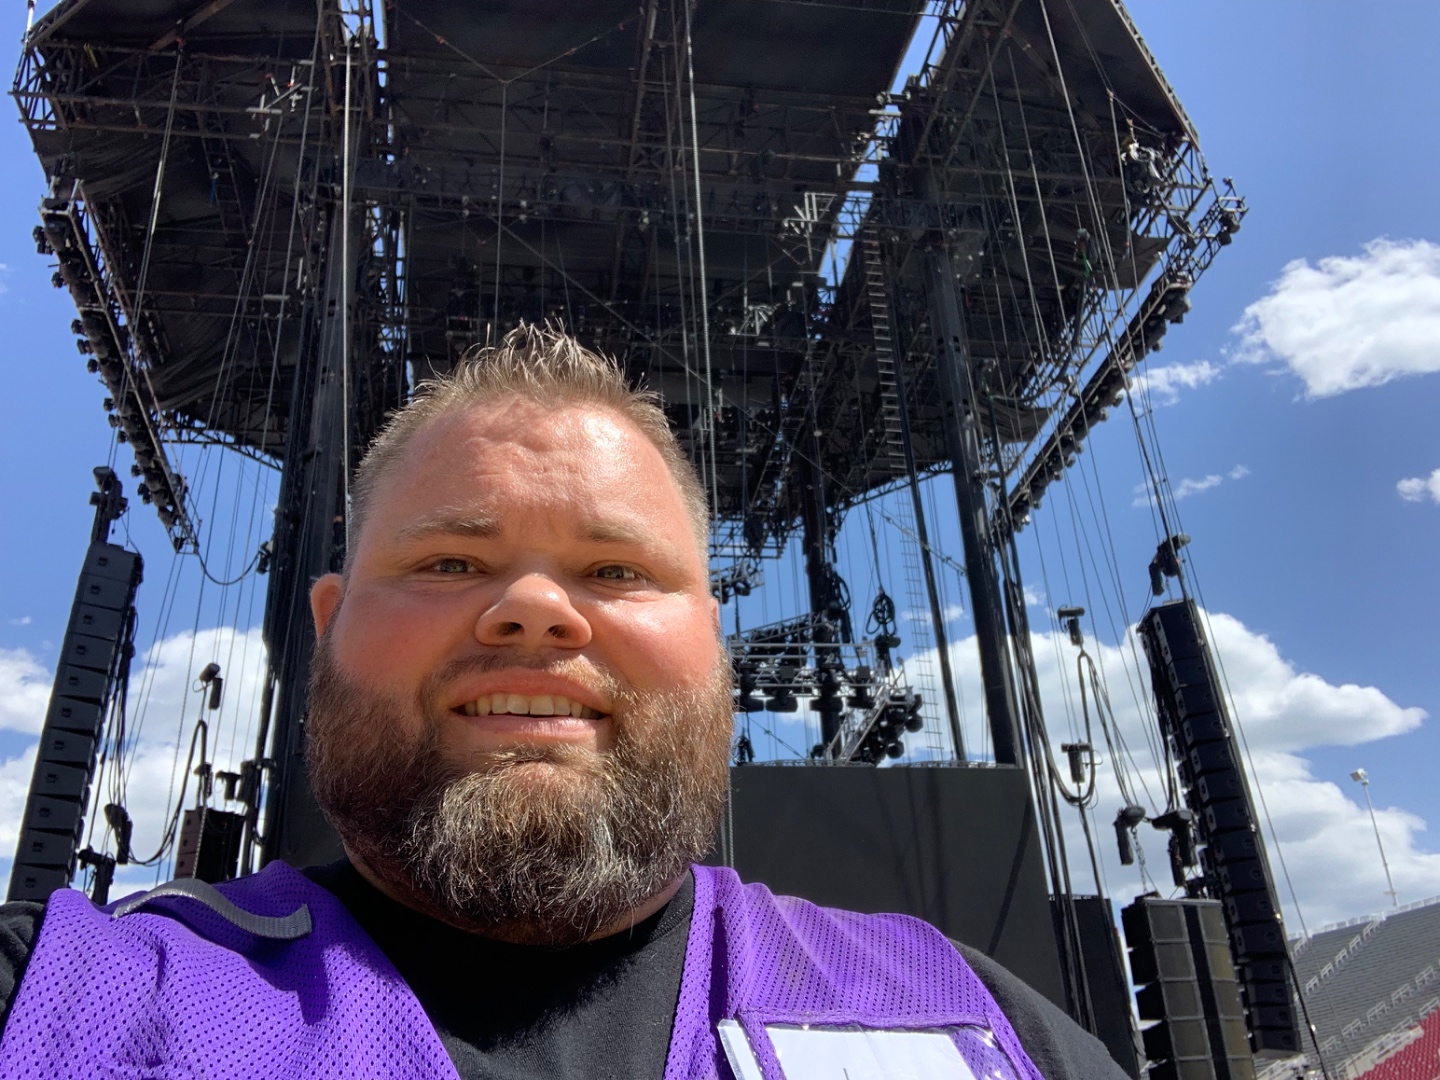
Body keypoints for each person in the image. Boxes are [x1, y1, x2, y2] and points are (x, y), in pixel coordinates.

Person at [0, 327, 1128, 1079]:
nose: (536, 612)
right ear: (328, 621)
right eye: (448, 563)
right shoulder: (72, 1004)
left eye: (618, 572)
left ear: (716, 646)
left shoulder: (971, 1019)